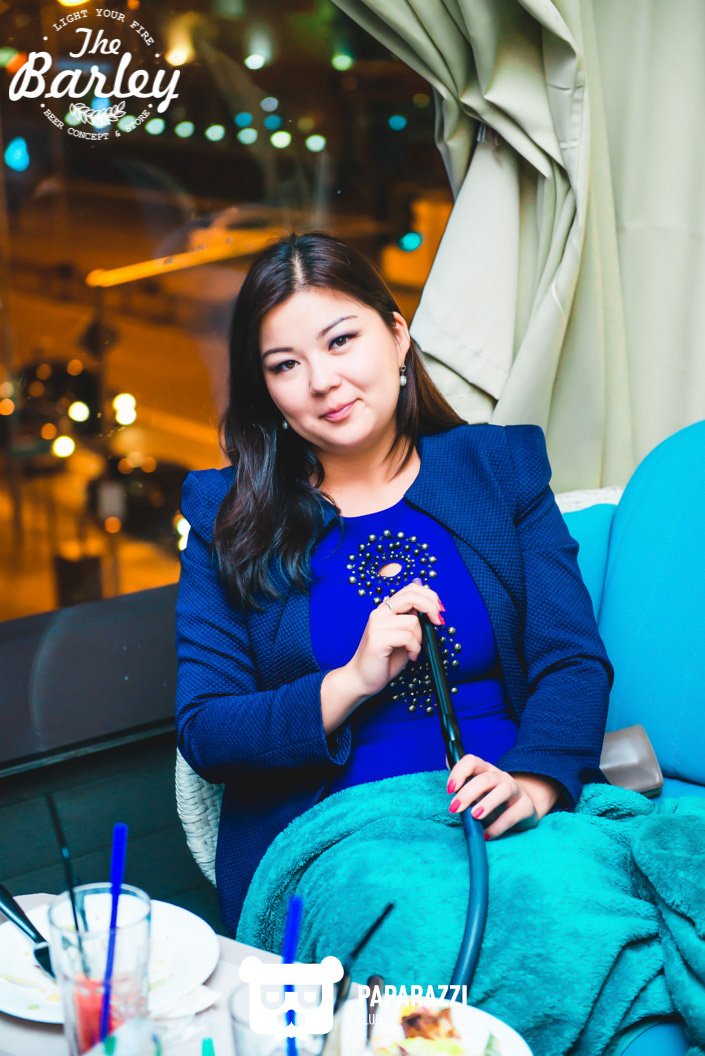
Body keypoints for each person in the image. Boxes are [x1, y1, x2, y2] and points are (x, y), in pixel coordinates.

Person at [175, 231, 614, 938]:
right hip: (343, 848)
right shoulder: (228, 517)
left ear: (397, 337)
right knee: (436, 939)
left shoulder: (496, 468)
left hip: (516, 820)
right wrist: (350, 681)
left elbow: (572, 660)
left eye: (341, 340)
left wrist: (532, 784)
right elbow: (207, 731)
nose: (321, 381)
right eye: (286, 364)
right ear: (268, 389)